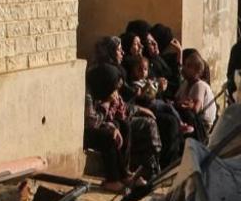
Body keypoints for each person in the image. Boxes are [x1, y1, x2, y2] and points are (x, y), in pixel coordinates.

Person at [83, 61, 158, 189]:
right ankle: (112, 180)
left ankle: (124, 174)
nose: (115, 91)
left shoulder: (103, 90)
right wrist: (105, 106)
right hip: (84, 133)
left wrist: (112, 125)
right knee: (108, 136)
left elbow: (121, 110)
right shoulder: (89, 94)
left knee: (124, 125)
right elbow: (91, 122)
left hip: (100, 125)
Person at [175, 48, 218, 143]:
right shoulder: (185, 83)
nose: (184, 68)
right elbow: (177, 99)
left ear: (197, 70)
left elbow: (196, 108)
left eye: (188, 66)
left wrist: (189, 105)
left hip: (202, 125)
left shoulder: (200, 85)